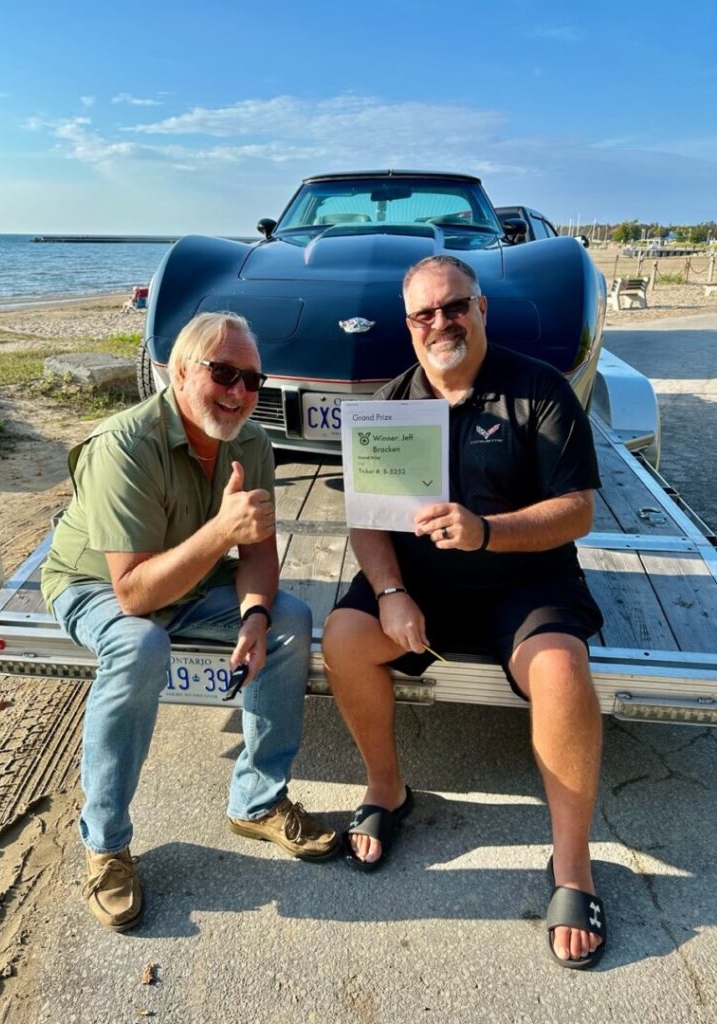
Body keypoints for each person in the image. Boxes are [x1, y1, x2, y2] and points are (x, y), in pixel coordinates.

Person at [323, 255, 606, 969]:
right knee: (343, 638)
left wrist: (488, 532)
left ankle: (572, 866)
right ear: (410, 325)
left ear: (481, 309)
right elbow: (367, 521)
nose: (441, 323)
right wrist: (389, 593)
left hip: (526, 581)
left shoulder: (537, 390)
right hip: (422, 588)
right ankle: (387, 790)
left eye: (455, 306)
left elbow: (577, 512)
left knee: (564, 672)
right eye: (425, 313)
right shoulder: (390, 405)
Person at [41, 311, 338, 933]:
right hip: (97, 583)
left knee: (289, 618)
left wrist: (255, 614)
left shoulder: (252, 443)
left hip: (188, 577)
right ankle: (105, 844)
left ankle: (256, 801)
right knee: (139, 643)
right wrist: (220, 532)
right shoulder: (123, 444)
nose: (239, 393)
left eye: (253, 380)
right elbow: (132, 593)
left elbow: (257, 553)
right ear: (178, 371)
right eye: (223, 373)